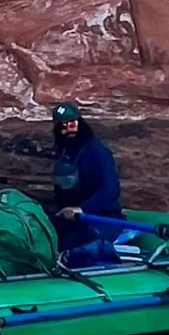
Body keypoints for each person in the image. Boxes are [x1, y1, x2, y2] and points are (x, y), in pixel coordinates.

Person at [49, 102, 122, 268]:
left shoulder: (97, 151)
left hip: (102, 218)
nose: (69, 129)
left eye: (72, 124)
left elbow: (111, 189)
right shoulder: (65, 151)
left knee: (69, 243)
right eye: (63, 126)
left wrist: (83, 209)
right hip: (71, 218)